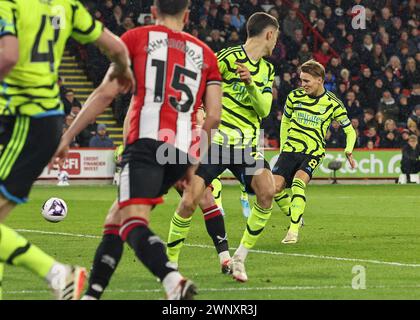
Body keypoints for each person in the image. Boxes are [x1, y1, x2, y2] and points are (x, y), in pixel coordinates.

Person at [52, 0, 222, 300]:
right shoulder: (206, 54)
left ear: (154, 12)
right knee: (116, 219)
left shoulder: (136, 39)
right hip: (179, 150)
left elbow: (106, 93)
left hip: (145, 144)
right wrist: (192, 162)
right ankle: (93, 293)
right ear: (186, 15)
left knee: (132, 223)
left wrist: (68, 135)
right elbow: (214, 117)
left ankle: (173, 281)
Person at [0, 0, 133, 300]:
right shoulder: (68, 6)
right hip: (40, 120)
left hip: (25, 120)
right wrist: (123, 71)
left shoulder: (9, 5)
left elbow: (8, 57)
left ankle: (58, 274)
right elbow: (117, 48)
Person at [166, 12, 279, 283]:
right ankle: (169, 265)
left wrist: (250, 84)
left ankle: (239, 256)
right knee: (189, 200)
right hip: (214, 143)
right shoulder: (224, 58)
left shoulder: (267, 69)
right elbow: (195, 89)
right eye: (276, 37)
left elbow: (263, 109)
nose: (276, 42)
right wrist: (201, 112)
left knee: (267, 192)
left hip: (246, 146)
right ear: (269, 34)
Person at [272, 59, 356, 244]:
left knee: (298, 184)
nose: (303, 85)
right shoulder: (294, 97)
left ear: (320, 80)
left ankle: (292, 232)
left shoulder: (333, 103)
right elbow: (285, 122)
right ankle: (296, 215)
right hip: (290, 149)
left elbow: (349, 130)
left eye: (307, 81)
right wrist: (283, 147)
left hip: (313, 152)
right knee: (274, 188)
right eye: (301, 80)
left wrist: (348, 149)